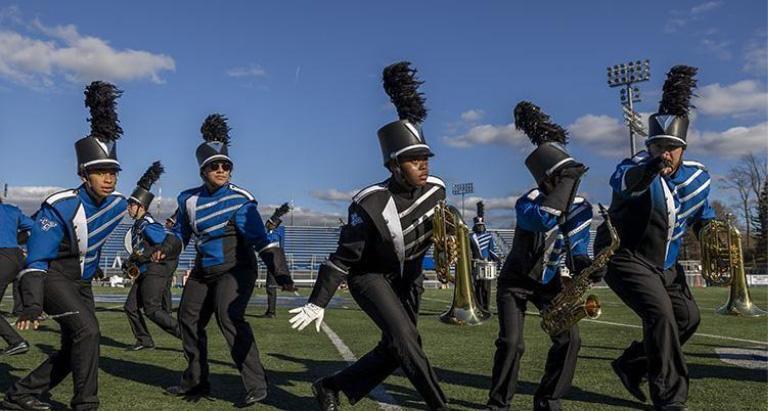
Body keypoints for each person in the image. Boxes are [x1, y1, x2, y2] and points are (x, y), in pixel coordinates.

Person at [289, 61, 448, 410]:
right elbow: (344, 257)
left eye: (425, 157)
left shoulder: (438, 190)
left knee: (398, 348)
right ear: (393, 164)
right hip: (370, 276)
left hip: (410, 277)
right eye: (413, 159)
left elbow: (441, 230)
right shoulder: (370, 202)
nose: (423, 165)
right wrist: (318, 301)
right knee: (406, 341)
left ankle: (331, 385)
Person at [3, 82, 128, 411]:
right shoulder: (59, 206)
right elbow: (36, 261)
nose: (109, 178)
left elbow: (141, 213)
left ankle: (20, 393)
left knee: (79, 343)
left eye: (113, 172)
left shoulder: (117, 205)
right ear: (83, 174)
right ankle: (86, 404)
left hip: (82, 281)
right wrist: (30, 304)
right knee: (89, 333)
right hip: (53, 278)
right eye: (100, 171)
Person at [604, 65, 713, 410]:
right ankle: (670, 400)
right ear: (649, 146)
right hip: (626, 256)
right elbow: (626, 184)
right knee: (661, 316)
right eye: (657, 146)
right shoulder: (633, 167)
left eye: (671, 147)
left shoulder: (699, 178)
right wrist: (651, 166)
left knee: (687, 319)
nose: (664, 153)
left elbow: (702, 216)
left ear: (683, 148)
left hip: (666, 265)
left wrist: (712, 233)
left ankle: (632, 363)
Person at [164, 113, 291, 407]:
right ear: (202, 171)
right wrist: (165, 249)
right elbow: (181, 233)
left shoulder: (240, 199)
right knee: (188, 319)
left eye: (226, 166)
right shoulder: (188, 199)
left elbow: (262, 239)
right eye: (215, 166)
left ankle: (257, 385)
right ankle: (195, 381)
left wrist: (280, 272)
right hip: (203, 270)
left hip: (237, 269)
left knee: (228, 316)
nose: (221, 170)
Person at [487, 102, 595, 411]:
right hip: (515, 282)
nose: (574, 184)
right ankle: (498, 403)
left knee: (570, 340)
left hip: (549, 283)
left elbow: (577, 248)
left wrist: (586, 265)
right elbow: (544, 219)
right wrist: (563, 188)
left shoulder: (581, 207)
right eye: (566, 178)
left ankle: (549, 400)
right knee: (511, 344)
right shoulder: (528, 202)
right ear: (550, 180)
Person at [123, 161, 182, 351]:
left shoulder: (149, 225)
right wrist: (131, 260)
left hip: (154, 271)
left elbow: (165, 243)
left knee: (152, 309)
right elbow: (139, 250)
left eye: (132, 204)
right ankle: (144, 340)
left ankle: (187, 335)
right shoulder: (138, 225)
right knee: (130, 307)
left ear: (141, 206)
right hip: (143, 272)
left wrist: (142, 255)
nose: (129, 208)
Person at [0, 198, 33, 356]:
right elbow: (34, 227)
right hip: (16, 256)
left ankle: (16, 342)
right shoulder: (12, 210)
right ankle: (15, 342)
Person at [258, 203, 296, 318]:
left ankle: (271, 312)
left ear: (274, 225)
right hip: (274, 261)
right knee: (270, 287)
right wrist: (277, 214)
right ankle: (271, 311)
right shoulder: (273, 232)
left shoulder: (275, 234)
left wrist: (277, 215)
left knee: (270, 287)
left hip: (275, 262)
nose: (267, 224)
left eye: (270, 223)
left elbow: (266, 234)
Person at [469, 201, 502, 312]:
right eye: (478, 226)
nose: (480, 227)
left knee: (486, 287)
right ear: (475, 226)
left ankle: (486, 307)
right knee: (477, 286)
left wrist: (497, 261)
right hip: (475, 264)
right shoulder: (471, 237)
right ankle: (479, 306)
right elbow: (469, 251)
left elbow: (491, 251)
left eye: (481, 225)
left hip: (487, 264)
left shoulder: (488, 237)